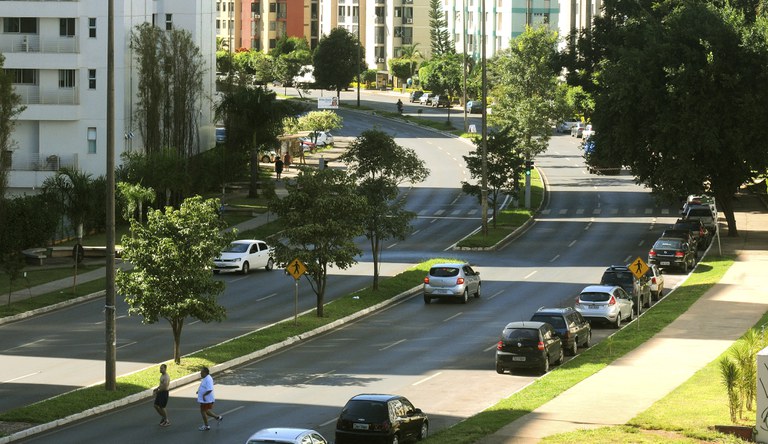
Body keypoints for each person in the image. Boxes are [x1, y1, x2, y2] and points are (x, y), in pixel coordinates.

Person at [196, 367, 222, 431]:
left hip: (206, 400)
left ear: (205, 373)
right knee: (206, 411)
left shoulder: (208, 379)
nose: (200, 374)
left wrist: (204, 395)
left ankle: (206, 426)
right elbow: (203, 386)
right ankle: (218, 417)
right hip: (205, 400)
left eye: (201, 372)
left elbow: (210, 389)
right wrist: (199, 391)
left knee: (203, 411)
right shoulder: (205, 378)